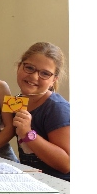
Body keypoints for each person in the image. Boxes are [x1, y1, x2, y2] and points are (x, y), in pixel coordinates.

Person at [12, 42, 70, 180]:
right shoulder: (17, 101)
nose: (34, 76)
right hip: (31, 180)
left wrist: (28, 134)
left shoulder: (57, 108)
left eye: (45, 73)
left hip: (59, 185)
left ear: (53, 80)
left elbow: (66, 164)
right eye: (29, 68)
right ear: (19, 66)